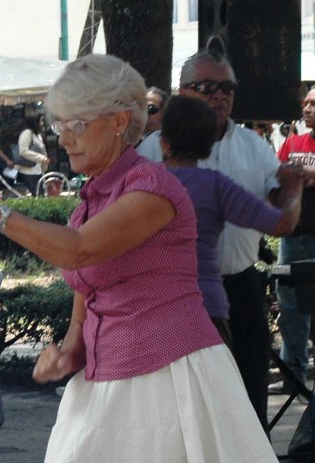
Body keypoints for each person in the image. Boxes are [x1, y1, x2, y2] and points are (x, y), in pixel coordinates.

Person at [0, 54, 276, 462]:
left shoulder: (154, 188)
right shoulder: (93, 198)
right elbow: (86, 293)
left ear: (118, 121)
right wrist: (68, 352)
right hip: (107, 380)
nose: (64, 138)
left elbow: (78, 249)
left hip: (169, 376)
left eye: (76, 123)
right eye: (59, 125)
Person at [137, 49, 282, 429]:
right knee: (181, 408)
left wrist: (294, 185)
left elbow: (277, 206)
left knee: (249, 398)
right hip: (172, 295)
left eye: (227, 87)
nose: (220, 95)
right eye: (207, 86)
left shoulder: (254, 144)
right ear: (183, 91)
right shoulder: (151, 151)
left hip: (240, 287)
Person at [159, 95, 303, 344]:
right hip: (206, 310)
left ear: (163, 143)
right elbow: (283, 224)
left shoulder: (144, 182)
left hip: (153, 309)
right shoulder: (215, 187)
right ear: (207, 145)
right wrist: (294, 190)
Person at [270, 86, 315, 396]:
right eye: (307, 102)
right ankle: (292, 376)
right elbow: (275, 173)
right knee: (291, 309)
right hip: (294, 237)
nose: (307, 108)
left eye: (314, 103)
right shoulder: (293, 142)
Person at [16, 115, 50, 195]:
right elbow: (23, 151)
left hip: (38, 171)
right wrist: (41, 158)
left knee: (40, 194)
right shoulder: (27, 133)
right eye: (40, 121)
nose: (42, 124)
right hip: (29, 171)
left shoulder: (36, 135)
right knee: (38, 195)